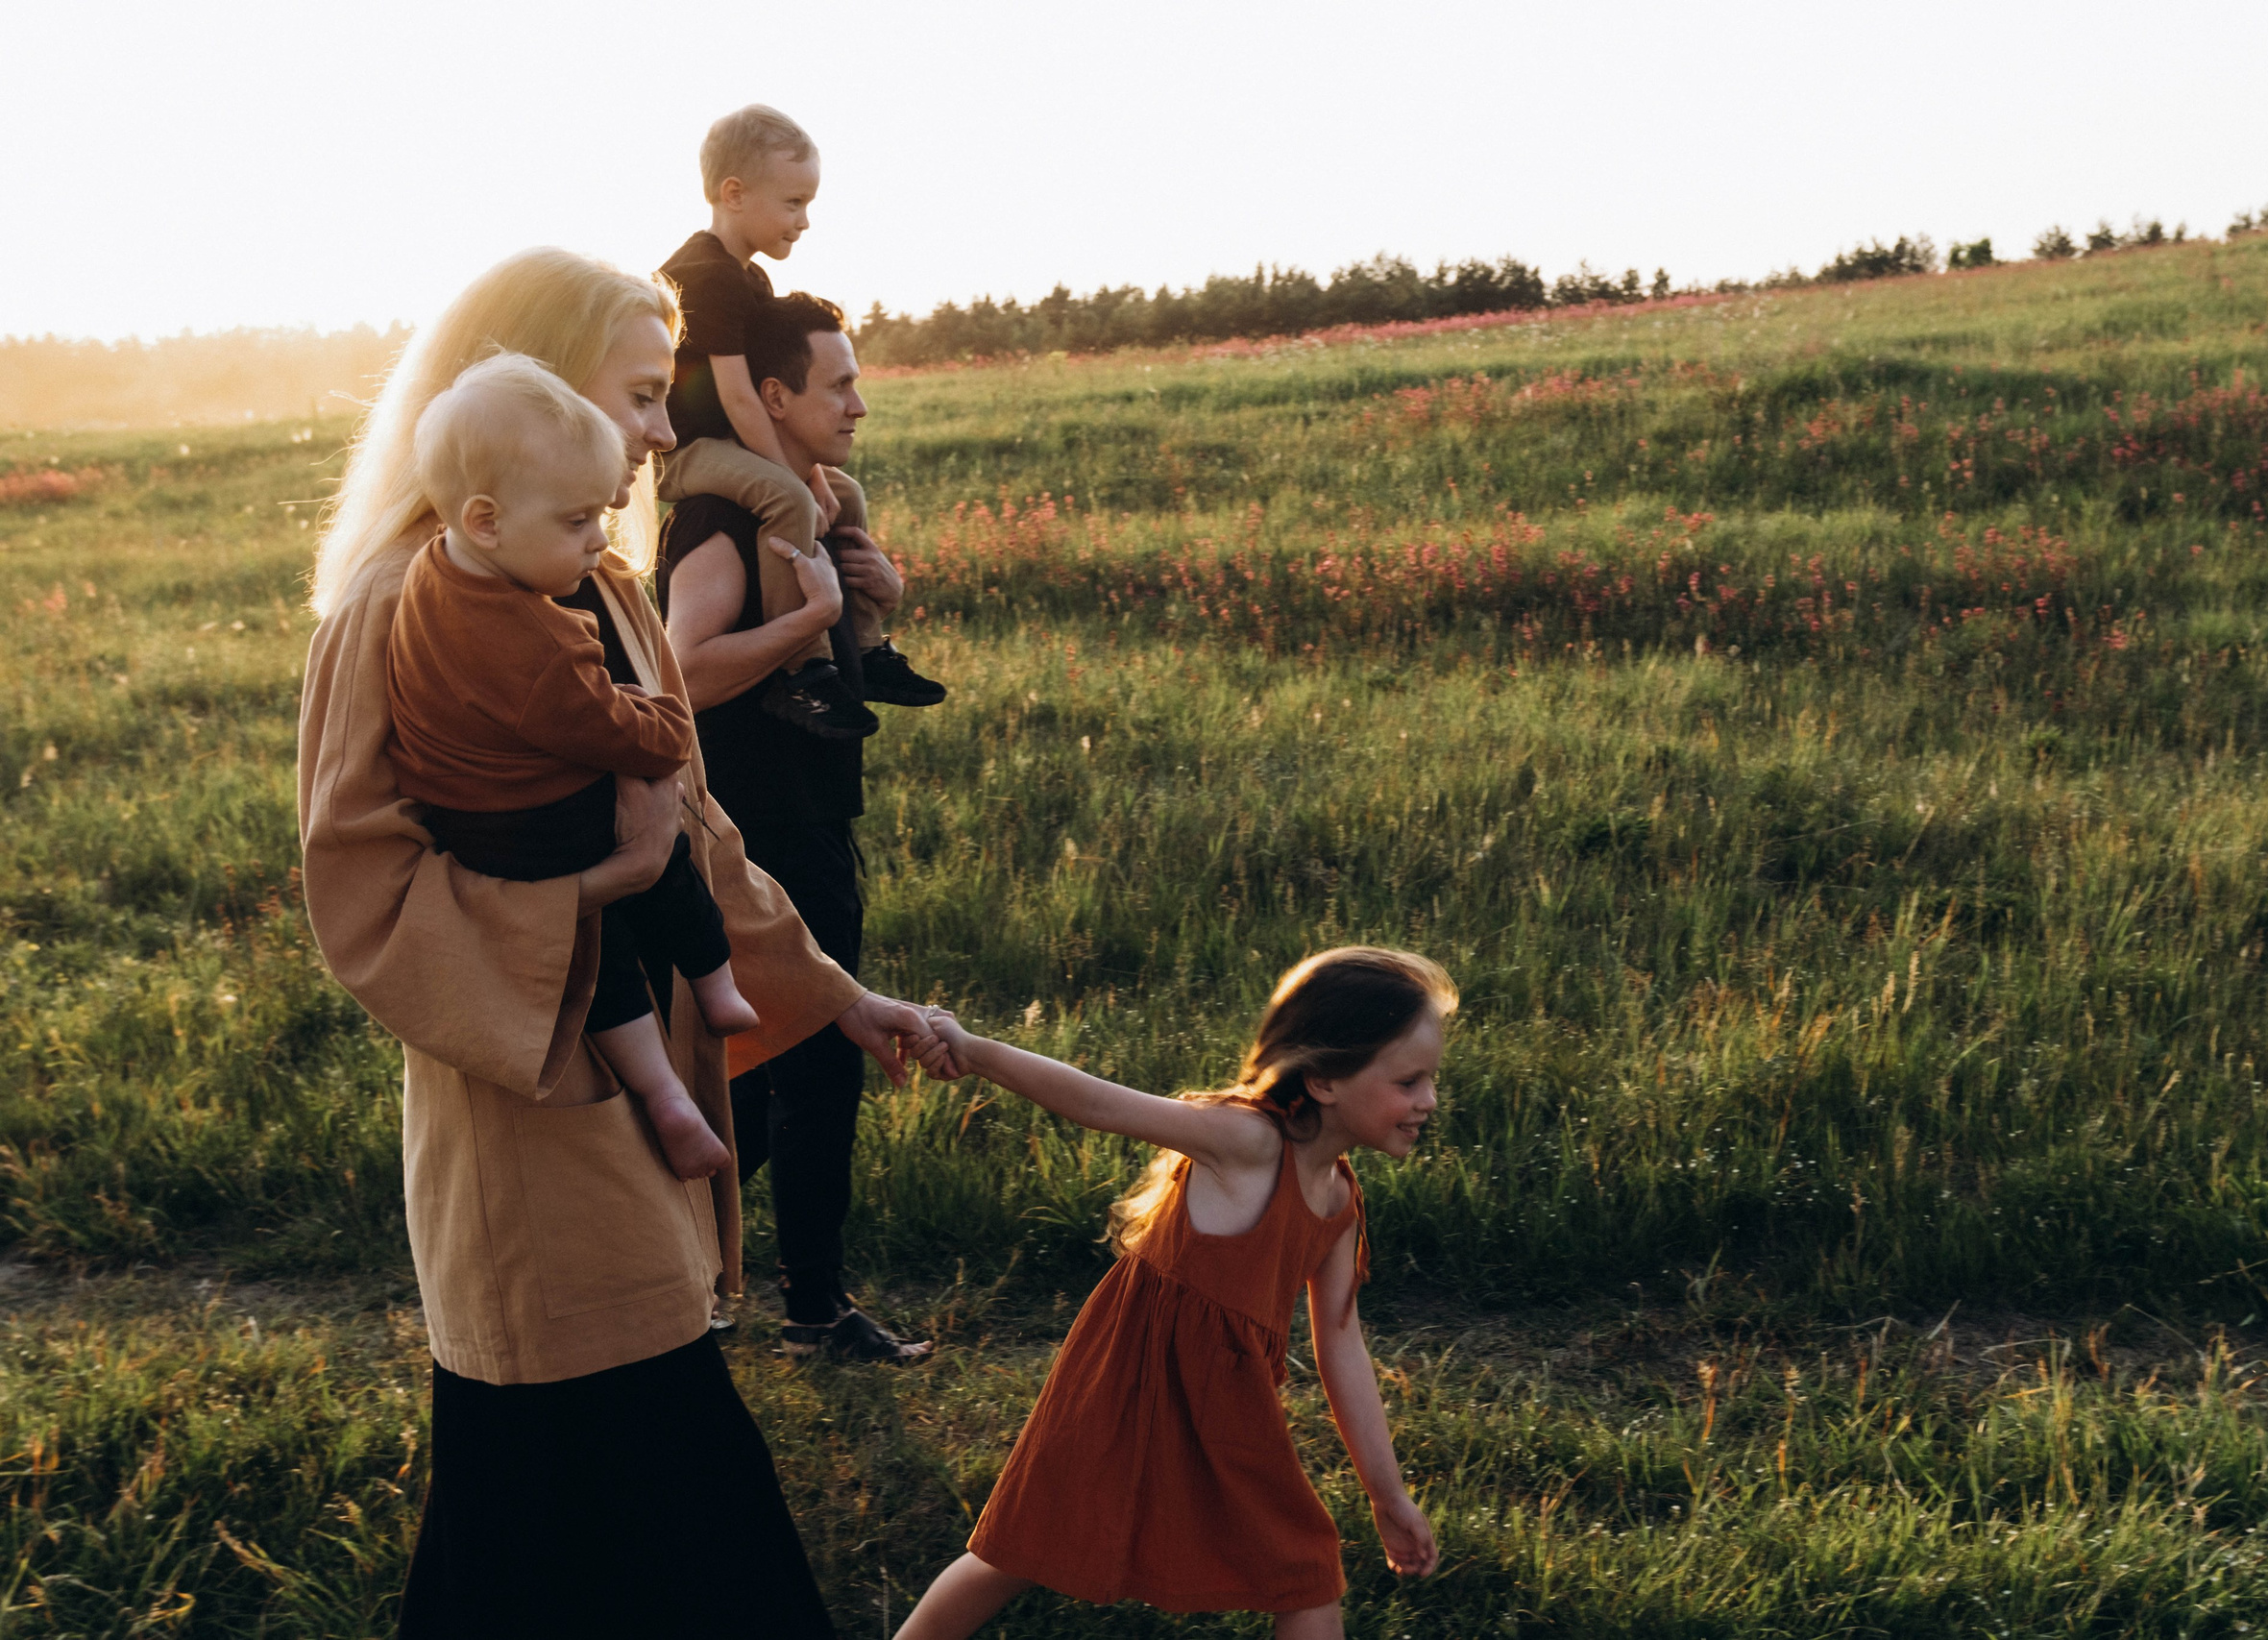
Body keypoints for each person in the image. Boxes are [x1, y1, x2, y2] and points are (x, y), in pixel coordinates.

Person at [301, 246, 930, 1637]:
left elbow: (697, 834)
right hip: (523, 1126)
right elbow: (362, 896)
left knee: (525, 1528)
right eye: (643, 396)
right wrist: (597, 881)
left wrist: (834, 996)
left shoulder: (606, 587)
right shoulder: (392, 610)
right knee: (677, 1505)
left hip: (622, 1108)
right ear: (513, 393)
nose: (663, 432)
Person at [894, 948, 1451, 1640]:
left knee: (1305, 1570)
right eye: (1408, 1080)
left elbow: (1341, 1343)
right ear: (1325, 1079)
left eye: (1430, 1078)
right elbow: (1097, 1101)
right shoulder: (1247, 1140)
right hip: (1125, 1383)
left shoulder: (1338, 1200)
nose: (1428, 1099)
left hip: (1226, 1403)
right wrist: (974, 1051)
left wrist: (1387, 1492)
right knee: (1017, 1548)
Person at [388, 355, 752, 1181]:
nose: (599, 536)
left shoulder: (427, 573)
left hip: (473, 824)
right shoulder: (539, 639)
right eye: (578, 520)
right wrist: (667, 718)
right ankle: (718, 980)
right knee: (662, 871)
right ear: (487, 520)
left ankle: (661, 1093)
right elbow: (625, 733)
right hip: (544, 818)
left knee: (593, 964)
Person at [662, 290, 930, 1363]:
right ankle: (809, 1308)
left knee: (773, 1075)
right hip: (759, 825)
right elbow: (683, 667)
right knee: (812, 1066)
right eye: (840, 382)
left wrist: (876, 603)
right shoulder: (724, 520)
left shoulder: (808, 506)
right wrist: (812, 620)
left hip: (813, 807)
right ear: (772, 395)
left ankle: (676, 1262)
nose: (859, 402)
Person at [659, 102, 945, 739]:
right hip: (691, 447)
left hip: (728, 439)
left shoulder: (747, 277)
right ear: (734, 194)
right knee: (792, 495)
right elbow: (740, 398)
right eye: (792, 203)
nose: (804, 221)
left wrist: (821, 477)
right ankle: (803, 670)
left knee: (847, 492)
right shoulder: (703, 277)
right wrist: (802, 474)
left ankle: (866, 648)